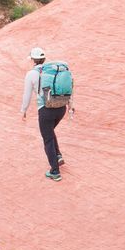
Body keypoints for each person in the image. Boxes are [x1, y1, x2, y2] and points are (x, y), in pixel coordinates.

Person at [18, 47, 73, 182]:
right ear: (44, 59)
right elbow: (70, 87)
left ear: (33, 60)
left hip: (46, 109)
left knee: (47, 138)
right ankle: (58, 156)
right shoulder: (55, 70)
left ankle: (55, 171)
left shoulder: (31, 74)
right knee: (50, 132)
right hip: (61, 108)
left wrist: (23, 111)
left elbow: (27, 95)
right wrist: (71, 106)